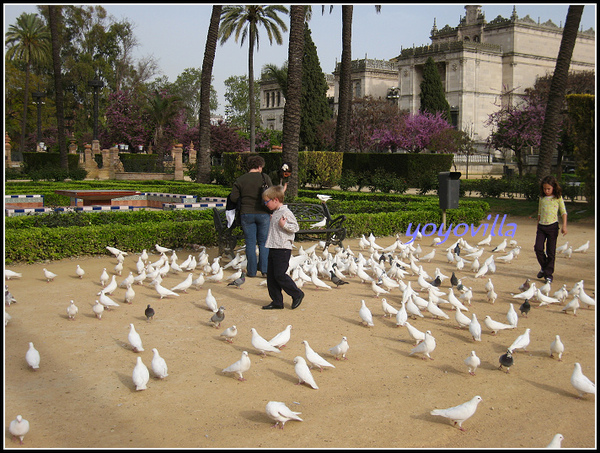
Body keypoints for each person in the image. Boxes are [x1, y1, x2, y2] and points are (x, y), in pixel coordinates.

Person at [261, 185, 305, 310]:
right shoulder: (275, 212)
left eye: (267, 201)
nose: (265, 204)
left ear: (275, 200)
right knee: (271, 276)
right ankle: (277, 301)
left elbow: (295, 227)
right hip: (273, 246)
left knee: (280, 275)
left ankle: (297, 294)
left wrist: (284, 224)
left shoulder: (285, 212)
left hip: (283, 248)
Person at [229, 155, 272, 278]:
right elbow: (272, 194)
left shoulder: (241, 179)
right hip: (263, 213)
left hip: (246, 213)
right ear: (259, 166)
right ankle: (265, 270)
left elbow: (233, 197)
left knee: (250, 243)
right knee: (264, 242)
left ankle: (252, 271)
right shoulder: (265, 178)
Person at [534, 175, 567, 283]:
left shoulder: (558, 198)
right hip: (542, 226)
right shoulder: (542, 198)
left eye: (548, 189)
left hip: (552, 227)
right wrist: (538, 224)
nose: (546, 191)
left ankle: (548, 275)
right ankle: (544, 267)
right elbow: (539, 212)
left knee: (551, 251)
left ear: (553, 187)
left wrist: (564, 226)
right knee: (538, 248)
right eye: (544, 189)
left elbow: (563, 212)